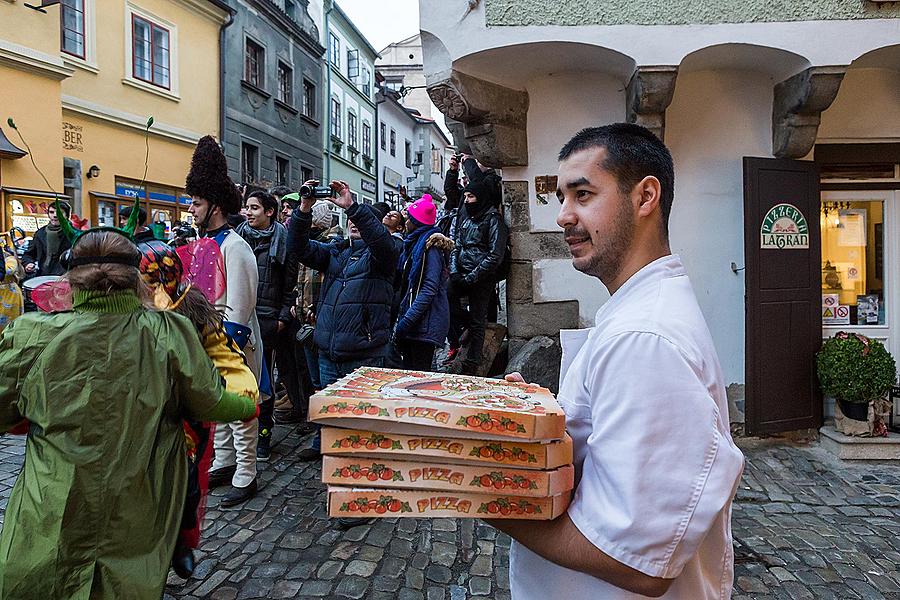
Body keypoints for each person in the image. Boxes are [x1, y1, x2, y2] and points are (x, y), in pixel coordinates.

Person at [491, 124, 745, 599]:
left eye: (583, 194)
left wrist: (479, 489)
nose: (564, 216)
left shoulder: (644, 337)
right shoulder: (634, 315)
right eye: (561, 197)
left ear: (645, 196)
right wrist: (537, 425)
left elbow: (639, 564)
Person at [0, 229, 257, 599]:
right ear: (137, 277)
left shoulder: (32, 335)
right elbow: (211, 402)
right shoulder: (170, 332)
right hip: (140, 496)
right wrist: (249, 405)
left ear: (70, 279)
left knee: (50, 577)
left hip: (55, 499)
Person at [287, 180, 399, 460]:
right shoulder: (336, 252)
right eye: (351, 220)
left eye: (361, 221)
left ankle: (361, 474)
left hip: (364, 355)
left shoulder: (382, 257)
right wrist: (303, 209)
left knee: (362, 424)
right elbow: (297, 248)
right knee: (331, 420)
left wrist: (353, 208)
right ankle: (335, 471)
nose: (353, 224)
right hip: (329, 352)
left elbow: (383, 243)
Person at [186, 135, 263, 507]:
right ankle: (224, 461)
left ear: (214, 205)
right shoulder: (201, 244)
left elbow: (241, 305)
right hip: (207, 337)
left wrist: (226, 344)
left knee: (239, 402)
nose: (191, 209)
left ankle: (246, 471)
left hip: (234, 339)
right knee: (218, 403)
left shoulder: (236, 247)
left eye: (197, 203)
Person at [236, 190, 299, 461]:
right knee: (239, 378)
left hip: (268, 319)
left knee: (264, 380)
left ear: (269, 212)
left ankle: (263, 434)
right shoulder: (238, 238)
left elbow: (290, 283)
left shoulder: (283, 241)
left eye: (255, 208)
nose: (249, 213)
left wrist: (283, 318)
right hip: (239, 317)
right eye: (247, 207)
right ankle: (239, 433)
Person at [447, 177, 508, 375]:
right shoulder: (465, 218)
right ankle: (466, 330)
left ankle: (472, 361)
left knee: (478, 318)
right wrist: (455, 272)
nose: (466, 200)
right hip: (462, 272)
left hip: (482, 277)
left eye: (471, 196)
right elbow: (457, 245)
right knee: (448, 301)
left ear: (480, 198)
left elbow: (495, 254)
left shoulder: (493, 220)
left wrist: (473, 277)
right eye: (465, 196)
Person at [395, 196, 452, 371]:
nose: (405, 222)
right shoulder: (414, 244)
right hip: (416, 323)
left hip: (424, 323)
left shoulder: (430, 248)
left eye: (409, 219)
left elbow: (429, 289)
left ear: (415, 222)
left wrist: (407, 320)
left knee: (419, 377)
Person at [22, 201, 72, 278]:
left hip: (66, 278)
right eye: (51, 212)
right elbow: (29, 254)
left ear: (67, 215)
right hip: (43, 276)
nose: (55, 215)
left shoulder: (74, 234)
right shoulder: (40, 233)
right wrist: (28, 263)